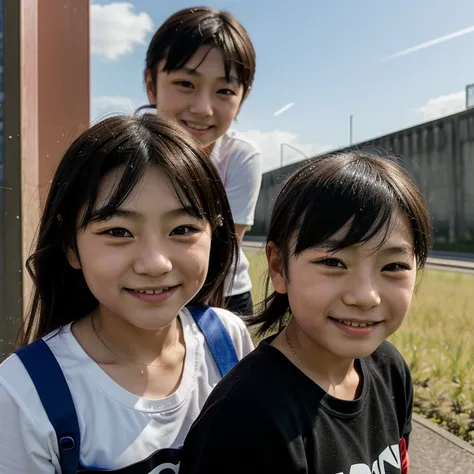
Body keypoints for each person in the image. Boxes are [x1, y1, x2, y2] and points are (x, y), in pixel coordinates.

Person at [0, 114, 254, 473]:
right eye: (118, 232)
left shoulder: (227, 340)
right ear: (71, 246)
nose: (155, 263)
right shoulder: (22, 394)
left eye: (182, 228)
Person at [178, 151, 432, 474]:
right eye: (333, 262)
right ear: (279, 266)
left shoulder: (390, 370)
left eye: (393, 266)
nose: (365, 296)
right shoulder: (245, 420)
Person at [142, 6, 262, 316]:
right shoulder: (126, 155)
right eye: (185, 84)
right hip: (145, 289)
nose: (203, 108)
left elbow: (222, 250)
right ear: (152, 84)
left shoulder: (240, 157)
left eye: (224, 90)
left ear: (242, 98)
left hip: (222, 295)